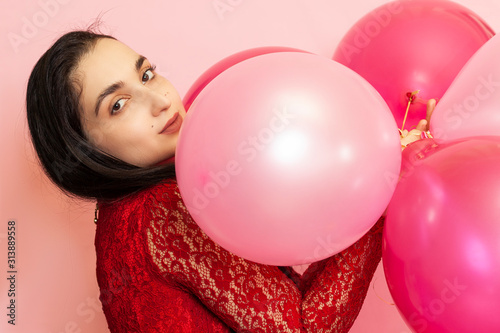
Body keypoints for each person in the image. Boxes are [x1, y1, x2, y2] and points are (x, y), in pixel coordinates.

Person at [26, 29, 431, 333]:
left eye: (147, 75)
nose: (162, 100)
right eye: (118, 105)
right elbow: (305, 328)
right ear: (87, 151)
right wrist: (385, 180)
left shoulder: (124, 213)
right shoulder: (160, 210)